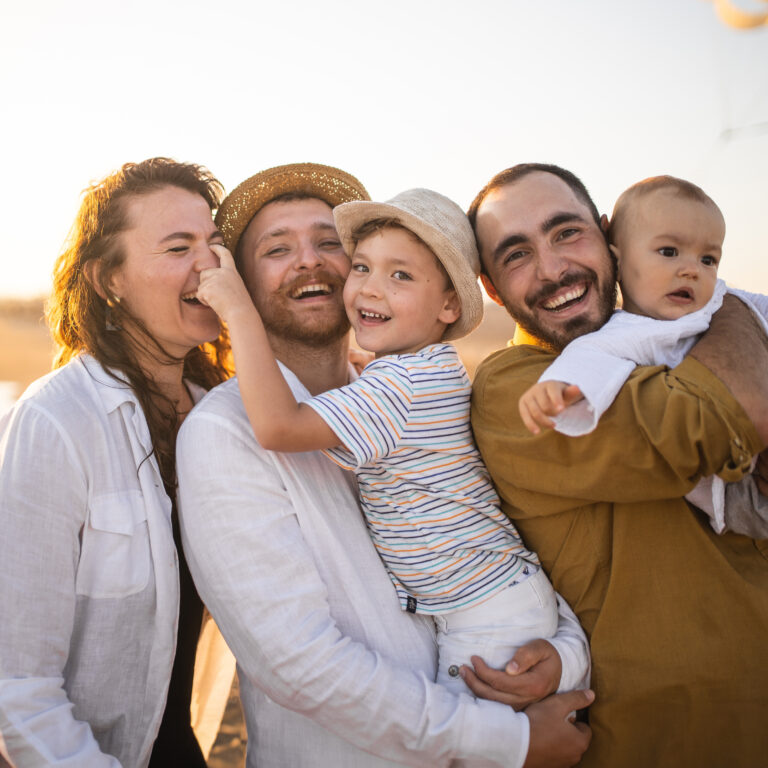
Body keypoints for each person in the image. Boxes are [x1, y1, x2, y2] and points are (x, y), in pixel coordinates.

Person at [176, 163, 594, 768]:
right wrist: (514, 742)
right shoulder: (223, 431)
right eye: (276, 248)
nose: (310, 261)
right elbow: (301, 665)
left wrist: (566, 655)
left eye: (329, 243)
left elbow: (510, 546)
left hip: (486, 654)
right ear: (239, 282)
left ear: (446, 301)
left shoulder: (397, 391)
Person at [467, 162, 768, 768]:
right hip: (668, 734)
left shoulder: (661, 339)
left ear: (608, 236)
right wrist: (724, 301)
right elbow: (729, 414)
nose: (554, 270)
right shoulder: (523, 390)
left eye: (566, 233)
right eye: (517, 255)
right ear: (493, 289)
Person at [0, 158, 233, 767]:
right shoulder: (56, 420)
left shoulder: (224, 418)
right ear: (110, 279)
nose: (208, 264)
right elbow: (18, 688)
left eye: (214, 244)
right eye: (178, 246)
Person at [517, 175, 768, 538]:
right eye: (669, 252)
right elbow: (588, 360)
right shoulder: (625, 334)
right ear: (616, 259)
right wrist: (555, 388)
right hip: (736, 491)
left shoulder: (717, 301)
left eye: (708, 259)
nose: (691, 269)